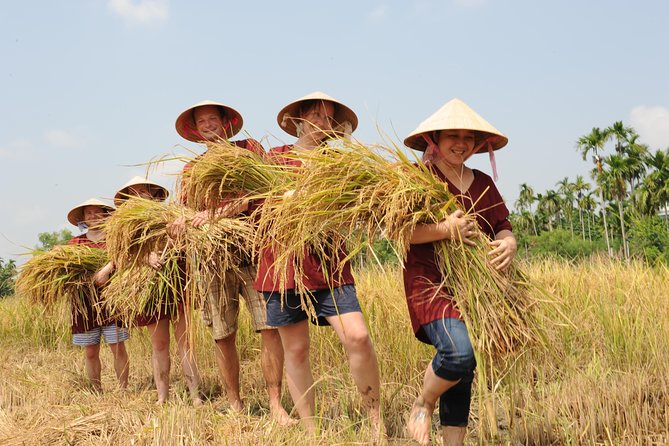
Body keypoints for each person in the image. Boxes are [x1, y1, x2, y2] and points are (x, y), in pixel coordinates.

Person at [255, 92, 383, 436]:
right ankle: (313, 432)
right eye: (313, 115)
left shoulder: (340, 165)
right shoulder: (273, 160)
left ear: (334, 127)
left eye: (327, 118)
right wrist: (285, 201)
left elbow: (355, 209)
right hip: (280, 267)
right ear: (297, 121)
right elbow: (253, 208)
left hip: (329, 265)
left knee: (357, 337)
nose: (320, 123)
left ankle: (375, 422)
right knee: (296, 350)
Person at [402, 98, 517, 445]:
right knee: (458, 352)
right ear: (435, 137)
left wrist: (508, 243)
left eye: (468, 137)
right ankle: (423, 402)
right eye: (453, 134)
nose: (461, 143)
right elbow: (402, 232)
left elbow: (503, 225)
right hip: (430, 282)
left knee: (464, 370)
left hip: (474, 288)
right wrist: (443, 230)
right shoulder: (419, 178)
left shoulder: (482, 182)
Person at [171, 100, 292, 423]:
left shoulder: (248, 150)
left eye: (214, 119)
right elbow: (186, 212)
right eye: (202, 121)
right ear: (195, 129)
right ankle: (234, 403)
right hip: (213, 259)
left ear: (226, 123)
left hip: (254, 251)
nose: (209, 124)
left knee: (269, 327)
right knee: (222, 333)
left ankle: (275, 403)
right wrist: (181, 223)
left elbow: (263, 192)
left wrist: (217, 213)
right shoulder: (192, 169)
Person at [114, 176, 202, 405]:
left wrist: (173, 241)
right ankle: (162, 396)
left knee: (185, 341)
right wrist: (146, 256)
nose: (139, 195)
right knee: (159, 344)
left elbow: (188, 240)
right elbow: (124, 254)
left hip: (178, 278)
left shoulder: (171, 215)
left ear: (153, 194)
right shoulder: (125, 225)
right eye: (133, 192)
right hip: (151, 286)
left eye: (143, 190)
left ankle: (195, 395)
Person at [66, 198, 129, 392]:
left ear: (105, 214)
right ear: (83, 218)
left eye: (97, 212)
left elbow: (125, 256)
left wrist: (108, 270)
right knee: (91, 350)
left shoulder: (115, 239)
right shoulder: (76, 243)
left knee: (117, 347)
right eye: (89, 213)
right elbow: (67, 271)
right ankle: (96, 391)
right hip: (84, 305)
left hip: (112, 301)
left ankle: (122, 390)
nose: (93, 216)